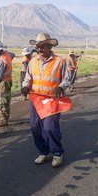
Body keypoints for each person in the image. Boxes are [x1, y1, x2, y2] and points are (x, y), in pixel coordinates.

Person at [21, 33, 70, 167]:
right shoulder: (32, 62)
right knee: (35, 127)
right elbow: (28, 78)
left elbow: (67, 79)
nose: (40, 49)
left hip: (52, 100)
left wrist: (61, 87)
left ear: (49, 46)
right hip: (35, 100)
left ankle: (57, 153)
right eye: (38, 47)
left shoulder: (60, 61)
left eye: (43, 46)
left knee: (50, 128)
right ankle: (43, 152)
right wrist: (25, 87)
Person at [0, 40, 16, 127]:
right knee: (0, 101)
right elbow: (13, 54)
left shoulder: (2, 60)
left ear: (0, 50)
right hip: (6, 81)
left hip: (3, 83)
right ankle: (1, 117)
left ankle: (4, 120)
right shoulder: (7, 54)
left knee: (3, 102)